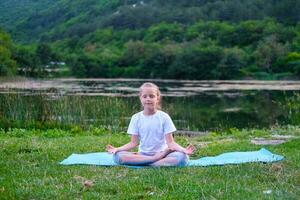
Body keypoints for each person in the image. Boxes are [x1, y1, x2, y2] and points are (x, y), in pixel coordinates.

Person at [106, 82, 194, 166]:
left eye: (151, 96)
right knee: (118, 156)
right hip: (143, 155)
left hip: (163, 154)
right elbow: (133, 143)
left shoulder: (164, 117)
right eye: (145, 96)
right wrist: (117, 149)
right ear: (140, 98)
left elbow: (171, 143)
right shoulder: (136, 118)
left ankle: (145, 162)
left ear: (157, 98)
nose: (148, 99)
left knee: (182, 157)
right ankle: (155, 161)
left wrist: (184, 150)